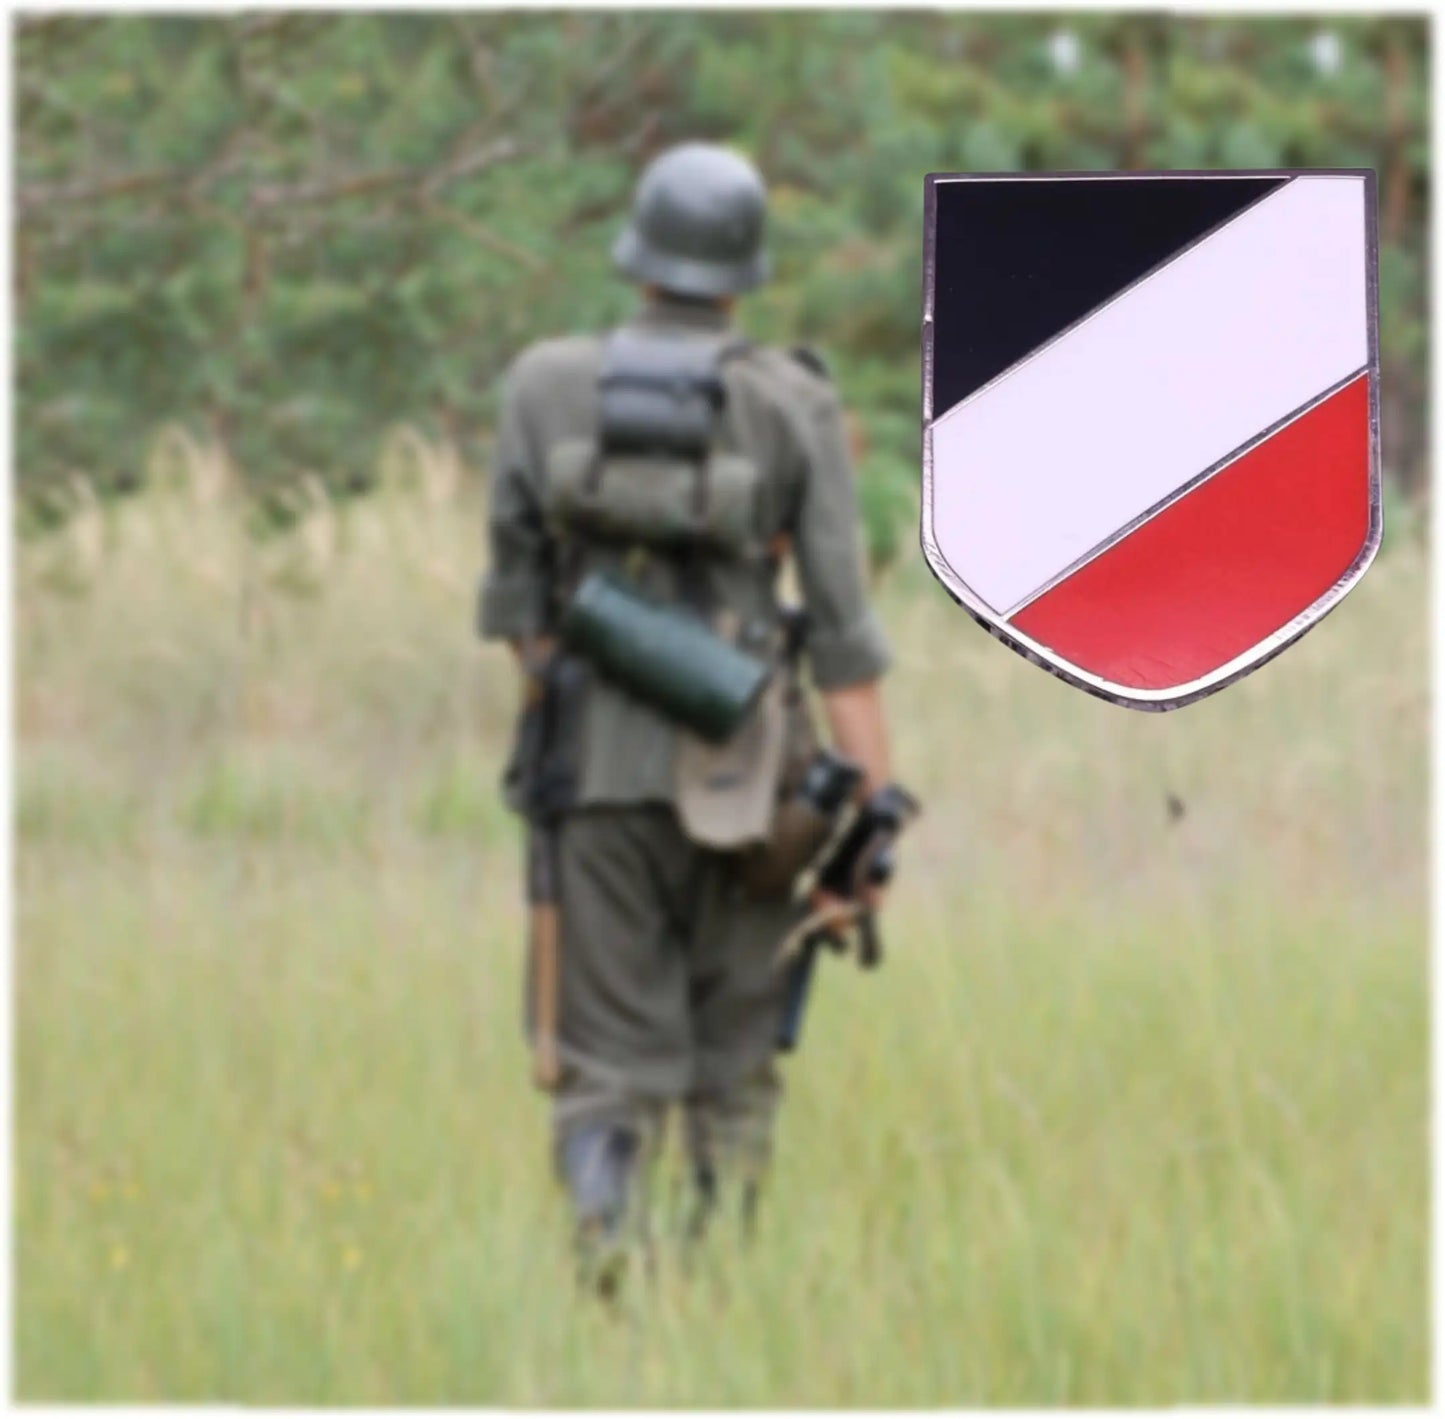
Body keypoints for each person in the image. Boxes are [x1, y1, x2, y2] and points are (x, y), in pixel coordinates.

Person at [477, 141, 894, 1290]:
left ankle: (607, 1271)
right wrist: (868, 822)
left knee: (604, 1069)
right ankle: (714, 1306)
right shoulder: (793, 400)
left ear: (639, 256)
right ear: (743, 272)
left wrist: (592, 701)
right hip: (754, 790)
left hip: (589, 784)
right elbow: (846, 645)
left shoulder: (538, 387)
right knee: (734, 1069)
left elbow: (521, 616)